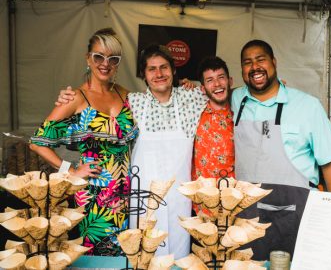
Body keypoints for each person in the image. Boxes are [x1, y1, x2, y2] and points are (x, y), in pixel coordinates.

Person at [55, 44, 207, 258]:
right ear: (144, 75)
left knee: (177, 258)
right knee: (142, 258)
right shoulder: (131, 102)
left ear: (173, 70)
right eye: (151, 69)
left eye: (164, 67)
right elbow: (97, 100)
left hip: (178, 202)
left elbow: (223, 92)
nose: (159, 74)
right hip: (140, 201)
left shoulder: (194, 97)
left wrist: (197, 84)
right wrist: (70, 97)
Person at [30, 28, 139, 256]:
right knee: (95, 257)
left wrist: (186, 84)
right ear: (88, 58)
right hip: (92, 195)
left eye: (113, 59)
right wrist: (70, 170)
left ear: (118, 63)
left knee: (126, 255)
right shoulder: (77, 98)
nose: (105, 63)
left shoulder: (126, 95)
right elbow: (37, 142)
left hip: (125, 193)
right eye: (99, 56)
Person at [232, 39, 331, 260]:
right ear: (242, 71)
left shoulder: (307, 106)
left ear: (274, 62)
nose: (255, 67)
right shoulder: (236, 99)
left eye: (261, 59)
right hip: (247, 218)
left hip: (295, 215)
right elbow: (212, 89)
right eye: (247, 63)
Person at [192, 56, 235, 182]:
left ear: (230, 81)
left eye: (221, 77)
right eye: (210, 80)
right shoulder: (194, 113)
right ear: (203, 89)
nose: (217, 84)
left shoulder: (241, 114)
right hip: (200, 197)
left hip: (231, 196)